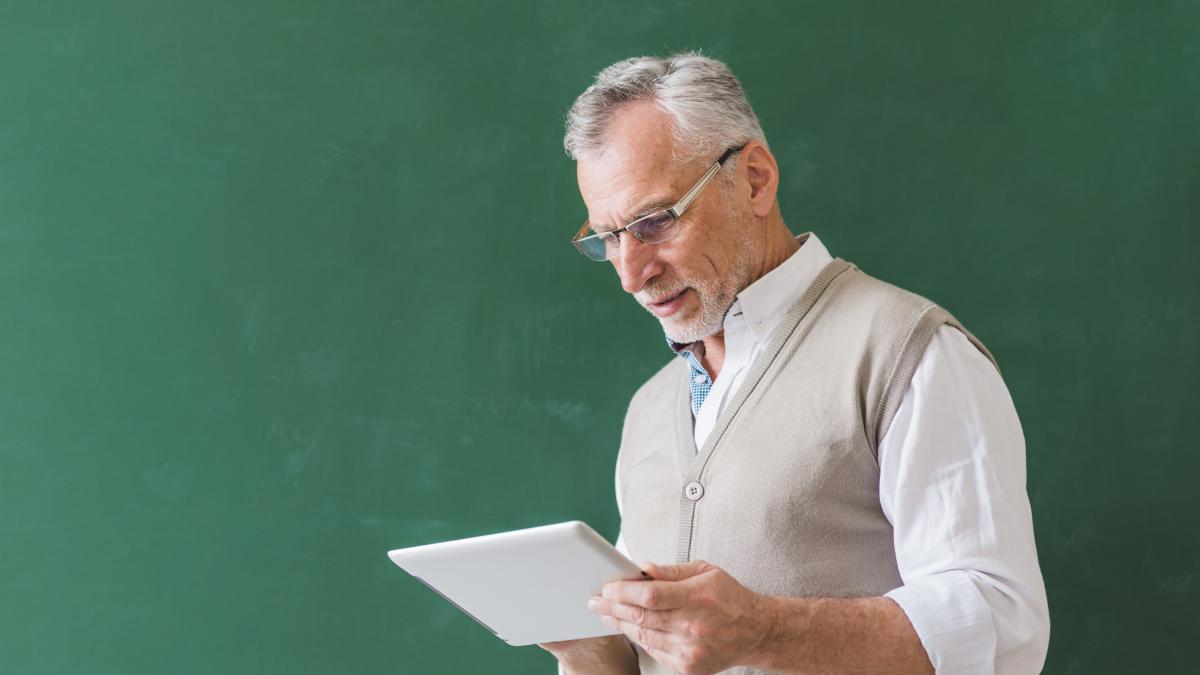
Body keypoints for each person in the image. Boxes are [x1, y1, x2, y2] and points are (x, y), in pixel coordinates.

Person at [540, 53, 1050, 675]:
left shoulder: (907, 352)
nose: (629, 273)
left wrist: (763, 630)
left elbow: (1002, 624)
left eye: (653, 222)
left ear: (754, 178)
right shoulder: (649, 407)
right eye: (608, 237)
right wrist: (598, 653)